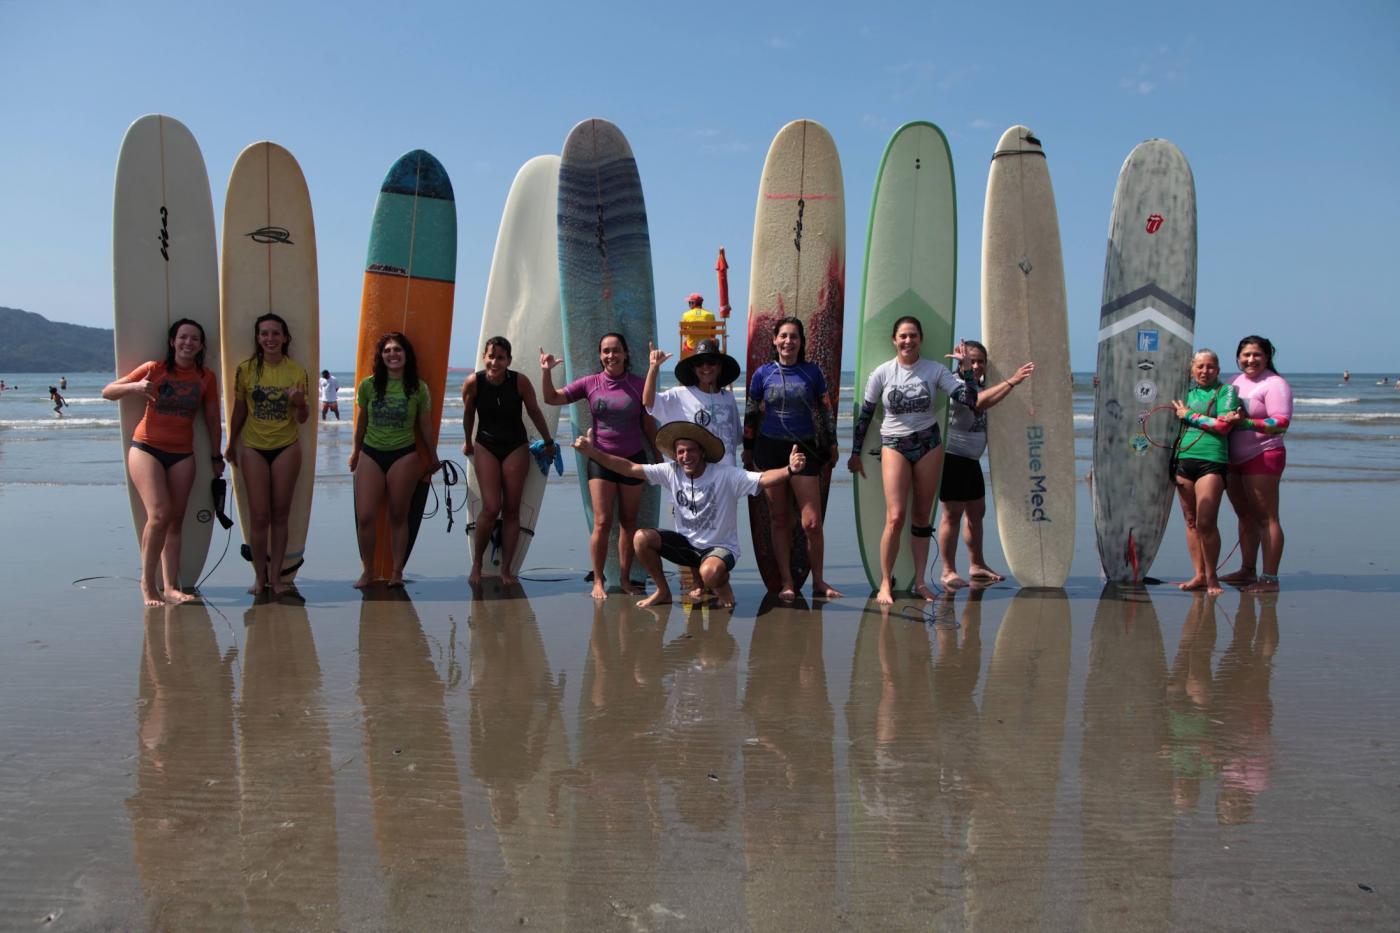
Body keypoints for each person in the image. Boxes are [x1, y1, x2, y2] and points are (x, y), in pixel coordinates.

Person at [575, 421, 804, 609]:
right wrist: (593, 452)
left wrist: (789, 469)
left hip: (720, 549)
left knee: (709, 573)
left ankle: (724, 590)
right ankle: (663, 591)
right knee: (641, 538)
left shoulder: (726, 475)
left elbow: (763, 478)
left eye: (691, 450)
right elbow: (629, 468)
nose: (686, 456)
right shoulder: (670, 471)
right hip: (687, 547)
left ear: (702, 452)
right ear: (675, 455)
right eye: (681, 452)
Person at [848, 318, 979, 603]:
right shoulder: (882, 373)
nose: (908, 341)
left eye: (913, 336)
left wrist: (967, 370)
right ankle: (885, 582)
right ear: (894, 340)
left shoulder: (934, 370)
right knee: (895, 517)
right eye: (903, 336)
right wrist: (855, 453)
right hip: (894, 444)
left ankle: (920, 582)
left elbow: (970, 400)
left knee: (921, 516)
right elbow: (866, 416)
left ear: (921, 338)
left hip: (928, 444)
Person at [102, 318, 223, 606]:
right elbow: (107, 392)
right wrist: (135, 388)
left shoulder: (205, 377)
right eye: (183, 337)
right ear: (173, 341)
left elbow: (211, 420)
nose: (188, 343)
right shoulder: (153, 369)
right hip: (146, 448)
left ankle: (171, 587)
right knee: (159, 514)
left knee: (176, 522)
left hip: (183, 453)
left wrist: (216, 455)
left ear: (201, 345)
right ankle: (148, 584)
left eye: (194, 338)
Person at [541, 333, 655, 599]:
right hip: (600, 460)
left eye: (616, 350)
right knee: (602, 523)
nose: (610, 356)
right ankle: (598, 582)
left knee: (628, 523)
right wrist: (546, 372)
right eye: (605, 351)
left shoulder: (639, 384)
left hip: (633, 460)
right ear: (599, 355)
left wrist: (659, 459)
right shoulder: (590, 383)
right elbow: (552, 399)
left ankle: (625, 579)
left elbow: (648, 423)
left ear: (626, 354)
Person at [743, 315, 841, 600]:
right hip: (769, 449)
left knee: (811, 522)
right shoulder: (762, 373)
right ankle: (787, 581)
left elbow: (825, 411)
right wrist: (747, 448)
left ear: (801, 342)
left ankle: (819, 581)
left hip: (805, 448)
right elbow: (751, 413)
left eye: (794, 336)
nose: (788, 341)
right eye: (783, 336)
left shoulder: (812, 372)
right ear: (775, 340)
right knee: (779, 517)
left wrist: (832, 444)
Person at [936, 340, 1035, 590]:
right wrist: (1012, 380)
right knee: (953, 513)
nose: (977, 365)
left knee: (977, 512)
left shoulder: (981, 385)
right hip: (953, 457)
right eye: (971, 360)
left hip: (972, 460)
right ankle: (947, 570)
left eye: (981, 361)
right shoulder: (954, 383)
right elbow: (977, 402)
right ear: (960, 360)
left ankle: (976, 564)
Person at [224, 312, 310, 596]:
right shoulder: (245, 370)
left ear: (285, 338)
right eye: (264, 333)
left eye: (275, 333)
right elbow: (239, 411)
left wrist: (299, 402)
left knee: (280, 514)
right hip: (252, 447)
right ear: (258, 338)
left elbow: (303, 418)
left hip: (286, 446)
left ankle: (276, 578)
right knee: (259, 516)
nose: (270, 339)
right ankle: (259, 578)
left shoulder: (296, 372)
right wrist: (230, 442)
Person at [461, 336, 557, 587]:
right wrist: (467, 442)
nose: (495, 362)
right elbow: (468, 413)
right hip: (486, 444)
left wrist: (548, 441)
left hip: (515, 445)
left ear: (509, 360)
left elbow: (534, 410)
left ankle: (506, 569)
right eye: (491, 356)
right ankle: (477, 564)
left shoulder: (519, 382)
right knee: (491, 508)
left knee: (512, 509)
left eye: (501, 357)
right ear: (484, 357)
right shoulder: (474, 382)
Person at [350, 332, 439, 589]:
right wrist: (355, 452)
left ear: (406, 355)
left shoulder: (418, 388)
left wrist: (433, 457)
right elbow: (361, 422)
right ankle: (368, 570)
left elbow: (424, 426)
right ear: (381, 356)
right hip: (371, 452)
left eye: (397, 350)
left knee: (399, 515)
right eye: (387, 350)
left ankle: (397, 571)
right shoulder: (368, 385)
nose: (392, 354)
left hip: (404, 454)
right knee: (365, 515)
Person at [1219, 336, 1291, 593]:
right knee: (1244, 516)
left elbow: (1281, 422)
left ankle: (1270, 579)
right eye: (1245, 354)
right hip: (1233, 457)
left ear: (1267, 357)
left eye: (1256, 355)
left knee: (1266, 517)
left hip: (1263, 455)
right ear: (1238, 357)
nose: (1250, 359)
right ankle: (1247, 570)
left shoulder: (1275, 384)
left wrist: (1245, 423)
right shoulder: (1234, 382)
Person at [1171, 349, 1240, 595]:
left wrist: (1189, 414)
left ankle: (1212, 577)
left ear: (1218, 370)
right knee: (1191, 522)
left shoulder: (1226, 392)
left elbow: (1222, 426)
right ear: (1191, 370)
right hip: (1183, 460)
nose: (1205, 371)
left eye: (1210, 366)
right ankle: (1198, 575)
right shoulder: (1185, 393)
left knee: (1206, 522)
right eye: (1200, 367)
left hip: (1212, 460)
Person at [643, 338, 743, 464]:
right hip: (697, 477)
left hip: (728, 477)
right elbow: (648, 402)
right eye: (699, 363)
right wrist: (653, 368)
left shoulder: (729, 397)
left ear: (719, 366)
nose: (705, 367)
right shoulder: (679, 395)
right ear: (694, 369)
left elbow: (736, 438)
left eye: (711, 362)